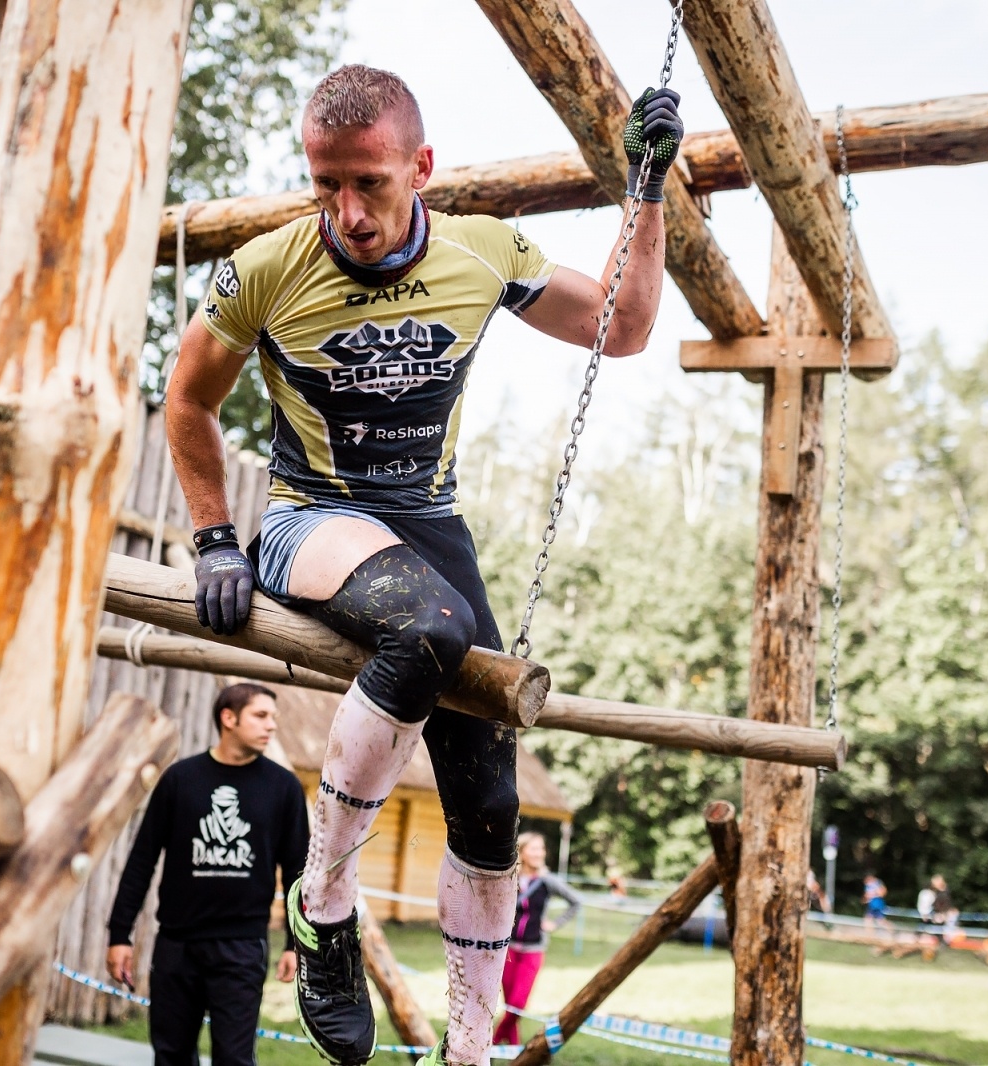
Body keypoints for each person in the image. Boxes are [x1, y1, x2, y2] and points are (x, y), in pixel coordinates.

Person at [166, 63, 682, 1066]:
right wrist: (215, 539)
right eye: (325, 185)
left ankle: (469, 1046)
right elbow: (186, 400)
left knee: (490, 810)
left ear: (423, 169)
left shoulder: (481, 251)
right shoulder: (263, 268)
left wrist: (645, 195)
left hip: (429, 530)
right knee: (433, 629)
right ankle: (321, 902)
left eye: (370, 183)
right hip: (310, 518)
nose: (349, 212)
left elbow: (622, 327)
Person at [106, 683, 310, 1066]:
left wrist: (293, 944)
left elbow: (299, 872)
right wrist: (120, 934)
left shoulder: (282, 788)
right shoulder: (180, 780)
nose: (272, 726)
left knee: (234, 1059)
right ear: (228, 718)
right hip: (177, 946)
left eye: (274, 718)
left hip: (242, 948)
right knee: (171, 1055)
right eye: (261, 716)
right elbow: (142, 859)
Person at [492, 832, 582, 1047]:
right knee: (510, 1006)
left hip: (533, 950)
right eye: (534, 848)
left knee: (518, 1004)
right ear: (521, 851)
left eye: (541, 848)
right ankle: (513, 1050)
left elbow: (576, 901)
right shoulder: (508, 877)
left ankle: (492, 1044)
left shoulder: (546, 880)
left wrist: (555, 924)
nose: (539, 853)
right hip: (508, 950)